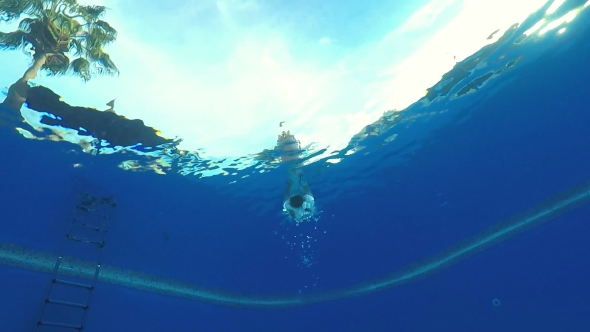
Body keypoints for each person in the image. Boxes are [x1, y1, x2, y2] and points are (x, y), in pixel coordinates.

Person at [275, 129, 315, 224]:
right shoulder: (309, 200)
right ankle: (287, 142)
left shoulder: (288, 205)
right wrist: (302, 179)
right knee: (296, 174)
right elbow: (305, 187)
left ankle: (286, 141)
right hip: (302, 207)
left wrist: (289, 185)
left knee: (293, 177)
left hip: (296, 210)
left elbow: (287, 194)